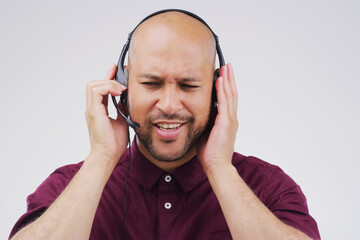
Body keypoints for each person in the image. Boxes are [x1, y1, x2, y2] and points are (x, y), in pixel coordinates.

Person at [9, 9, 320, 240]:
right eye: (151, 83)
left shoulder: (268, 188)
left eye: (188, 85)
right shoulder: (69, 187)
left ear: (216, 91)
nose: (169, 105)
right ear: (123, 85)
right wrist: (102, 157)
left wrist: (219, 167)